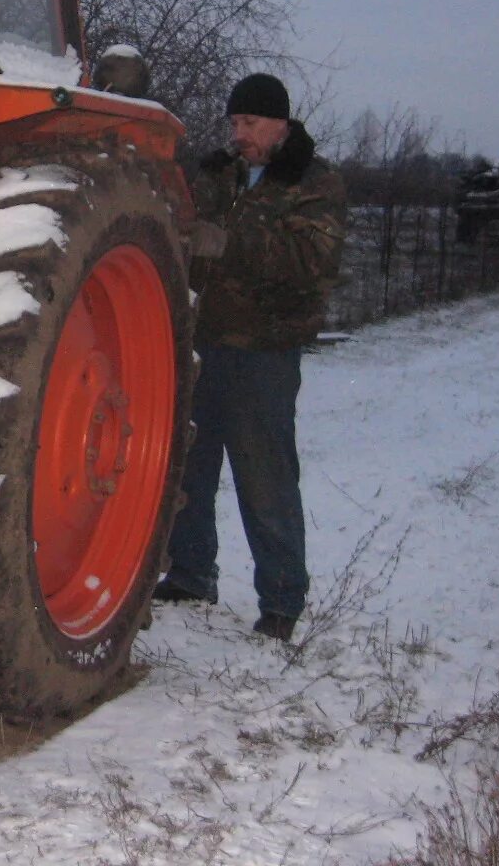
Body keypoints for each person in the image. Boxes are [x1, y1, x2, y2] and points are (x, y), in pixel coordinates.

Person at [155, 72, 346, 642]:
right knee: (189, 464)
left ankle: (283, 599)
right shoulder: (222, 173)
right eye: (235, 122)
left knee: (265, 476)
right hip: (201, 343)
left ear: (281, 123)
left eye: (252, 123)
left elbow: (312, 262)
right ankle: (191, 574)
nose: (240, 133)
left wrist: (230, 241)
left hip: (265, 352)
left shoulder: (316, 181)